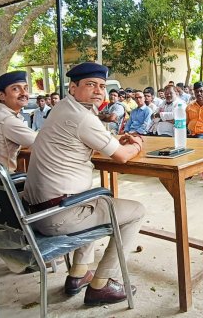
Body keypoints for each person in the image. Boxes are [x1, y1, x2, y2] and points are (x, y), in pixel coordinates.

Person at [22, 62, 145, 305]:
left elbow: (94, 136)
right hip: (57, 215)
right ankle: (102, 284)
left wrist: (115, 140)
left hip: (35, 211)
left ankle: (78, 273)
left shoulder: (61, 109)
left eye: (101, 86)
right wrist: (138, 144)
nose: (98, 91)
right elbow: (121, 156)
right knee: (135, 211)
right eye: (90, 85)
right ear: (73, 87)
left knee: (93, 198)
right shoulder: (81, 117)